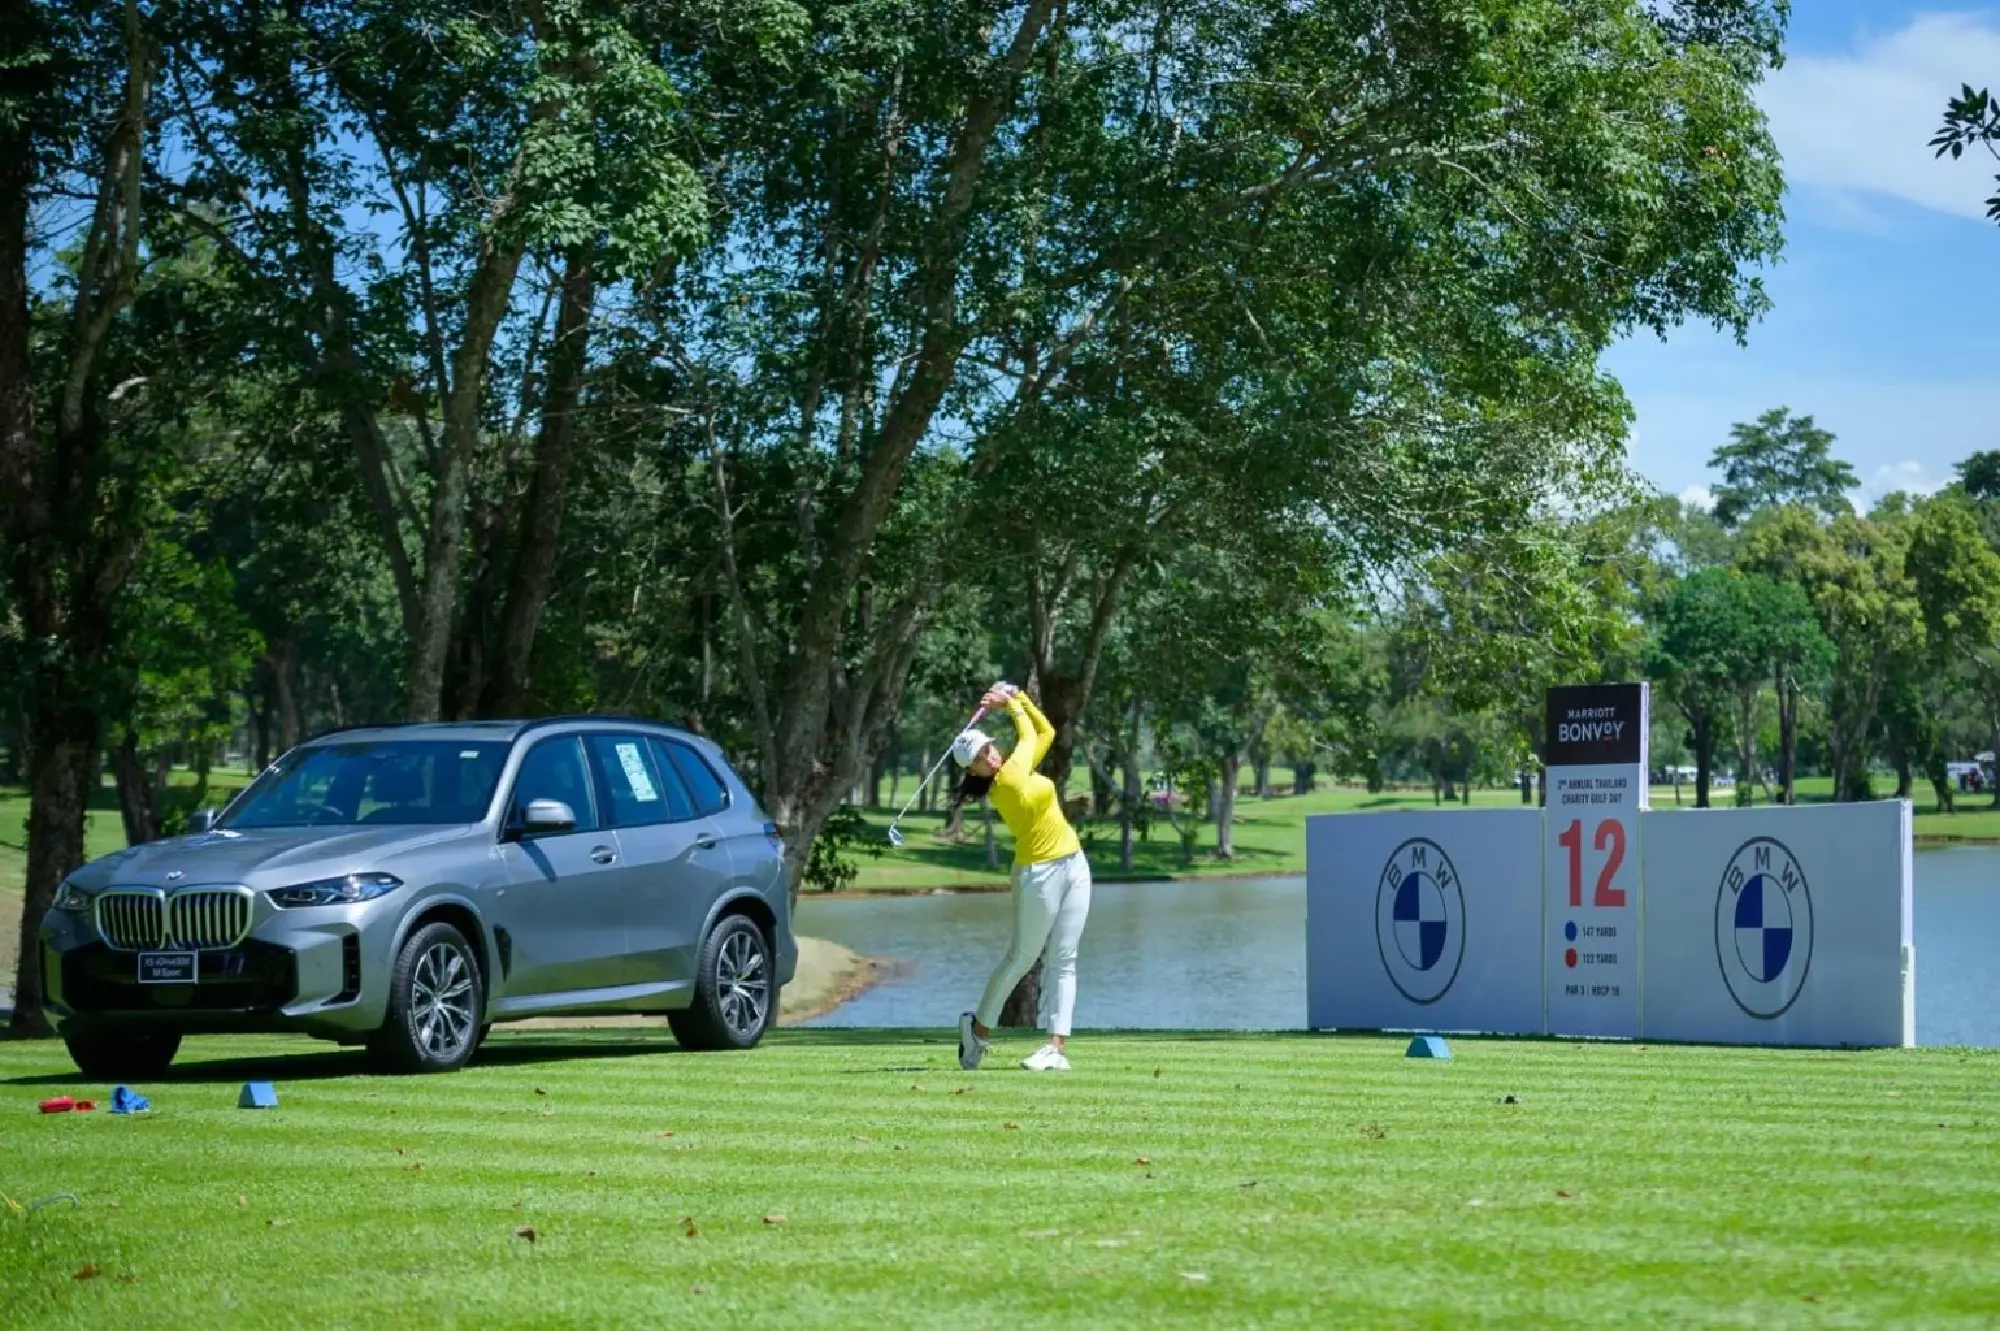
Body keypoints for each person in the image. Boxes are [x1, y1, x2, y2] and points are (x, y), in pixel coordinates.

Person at [954, 682, 1093, 1073]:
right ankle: (978, 1031)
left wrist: (1022, 699)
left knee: (1065, 958)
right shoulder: (1008, 780)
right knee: (1022, 958)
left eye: (989, 747)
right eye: (981, 756)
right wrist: (1011, 702)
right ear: (973, 770)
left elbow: (1046, 731)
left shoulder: (1017, 766)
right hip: (1038, 874)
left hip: (1074, 862)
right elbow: (1030, 733)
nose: (990, 755)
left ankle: (1056, 1048)